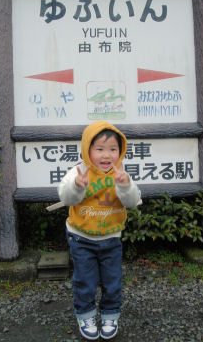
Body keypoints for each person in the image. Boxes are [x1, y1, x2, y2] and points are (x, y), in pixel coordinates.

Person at [58, 120, 141, 340]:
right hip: (81, 237)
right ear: (88, 150)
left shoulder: (121, 174)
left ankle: (110, 314)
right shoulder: (78, 171)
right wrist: (77, 185)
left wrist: (125, 185)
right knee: (85, 280)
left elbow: (133, 201)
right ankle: (85, 314)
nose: (107, 155)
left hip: (111, 238)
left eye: (113, 149)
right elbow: (65, 198)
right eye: (100, 149)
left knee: (113, 280)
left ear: (120, 151)